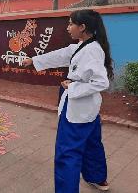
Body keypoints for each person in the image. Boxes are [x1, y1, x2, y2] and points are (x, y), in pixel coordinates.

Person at [22, 10, 113, 192]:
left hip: (77, 109)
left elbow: (102, 82)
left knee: (67, 153)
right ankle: (97, 177)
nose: (68, 28)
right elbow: (63, 54)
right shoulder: (84, 45)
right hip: (89, 109)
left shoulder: (91, 51)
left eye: (71, 24)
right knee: (92, 143)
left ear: (82, 27)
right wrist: (34, 60)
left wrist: (73, 87)